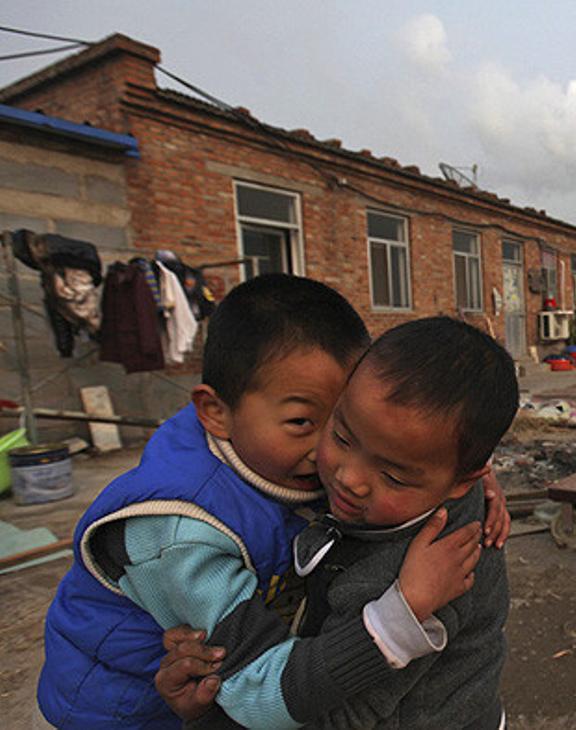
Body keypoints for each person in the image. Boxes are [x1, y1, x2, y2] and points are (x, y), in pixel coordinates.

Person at [37, 276, 509, 729]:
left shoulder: (264, 432)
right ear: (216, 413)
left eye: (337, 421)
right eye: (312, 424)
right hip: (128, 708)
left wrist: (464, 476)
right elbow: (259, 694)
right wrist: (396, 619)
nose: (339, 468)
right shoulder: (179, 537)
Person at [158, 316, 519, 729]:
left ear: (460, 481)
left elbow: (339, 717)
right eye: (343, 437)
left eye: (393, 477)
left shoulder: (422, 585)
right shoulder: (437, 471)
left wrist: (209, 714)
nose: (349, 479)